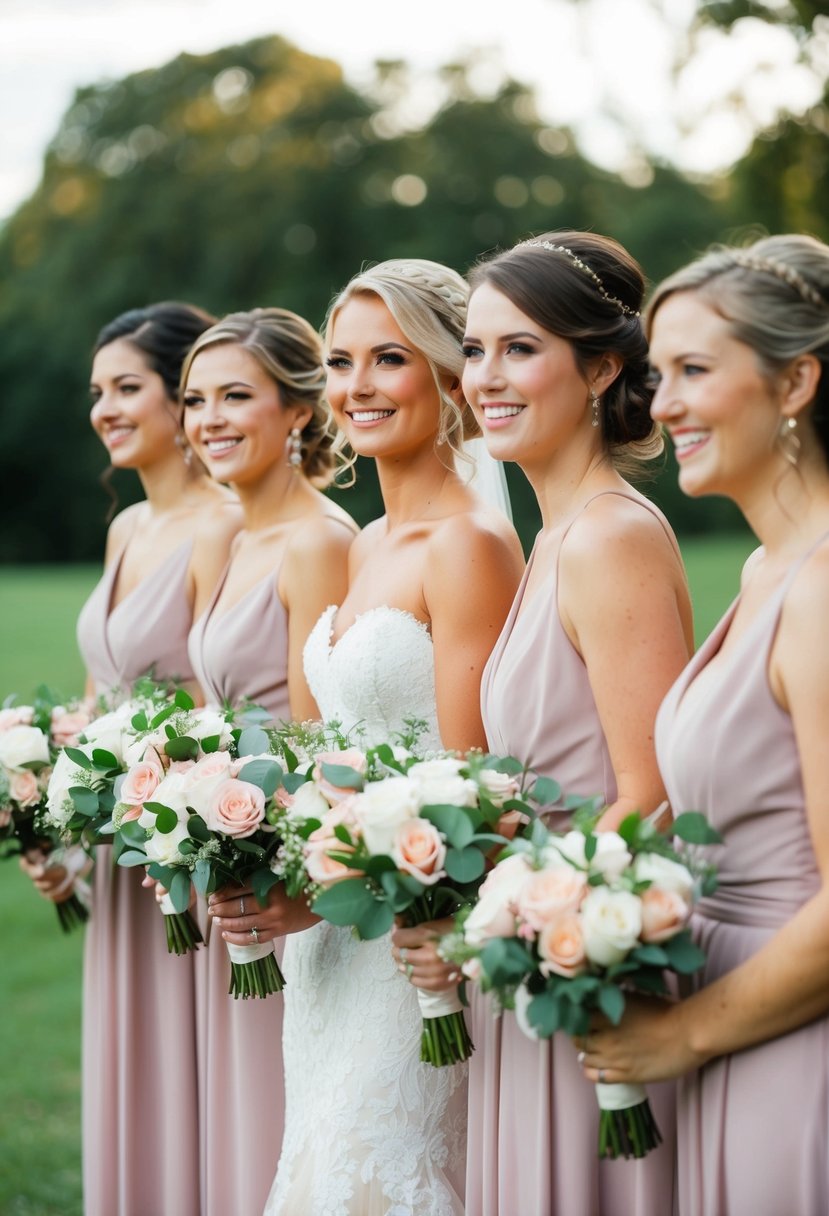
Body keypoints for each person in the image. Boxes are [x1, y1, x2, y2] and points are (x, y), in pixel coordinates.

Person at [263, 259, 525, 1216]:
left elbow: (472, 792)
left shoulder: (468, 545)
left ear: (453, 379)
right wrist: (275, 864)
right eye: (340, 361)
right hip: (330, 945)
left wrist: (336, 891)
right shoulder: (364, 545)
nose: (356, 386)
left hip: (411, 944)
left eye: (389, 359)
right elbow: (330, 748)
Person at [578, 233, 829, 1216]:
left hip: (790, 1046)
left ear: (794, 381)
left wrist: (681, 1036)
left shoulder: (818, 592)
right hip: (730, 1031)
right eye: (654, 373)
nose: (660, 402)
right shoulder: (768, 572)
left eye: (692, 370)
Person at [461, 230, 695, 1216]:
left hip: (585, 963)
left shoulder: (608, 537)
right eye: (474, 350)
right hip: (542, 949)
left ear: (601, 367)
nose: (486, 377)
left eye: (520, 348)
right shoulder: (555, 534)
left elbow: (652, 795)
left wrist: (510, 923)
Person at [25, 301, 241, 1216]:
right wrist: (46, 806)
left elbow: (226, 709)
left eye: (127, 388)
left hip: (186, 855)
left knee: (193, 1076)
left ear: (182, 398)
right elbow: (94, 702)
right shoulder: (125, 532)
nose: (105, 408)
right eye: (97, 393)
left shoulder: (225, 527)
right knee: (134, 1074)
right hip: (121, 859)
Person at [180, 307, 357, 1216]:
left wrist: (247, 840)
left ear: (298, 412)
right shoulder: (227, 538)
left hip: (288, 878)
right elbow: (211, 716)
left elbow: (316, 742)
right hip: (229, 861)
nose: (207, 419)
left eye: (234, 396)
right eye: (195, 399)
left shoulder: (320, 544)